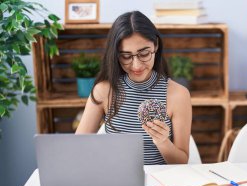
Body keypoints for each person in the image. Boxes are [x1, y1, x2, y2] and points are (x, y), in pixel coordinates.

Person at [76, 11, 192, 165]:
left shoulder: (178, 95)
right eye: (126, 56)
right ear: (115, 54)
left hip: (161, 184)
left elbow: (181, 162)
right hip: (117, 182)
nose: (136, 65)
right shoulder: (103, 91)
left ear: (155, 45)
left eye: (144, 53)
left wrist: (163, 141)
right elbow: (77, 149)